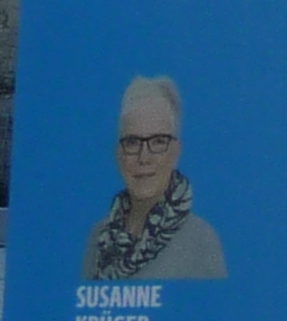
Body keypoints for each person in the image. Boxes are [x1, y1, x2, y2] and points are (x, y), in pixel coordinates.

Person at [82, 77, 226, 281]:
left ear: (176, 153)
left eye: (158, 142)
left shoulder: (200, 240)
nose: (144, 157)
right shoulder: (98, 238)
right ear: (118, 154)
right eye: (132, 142)